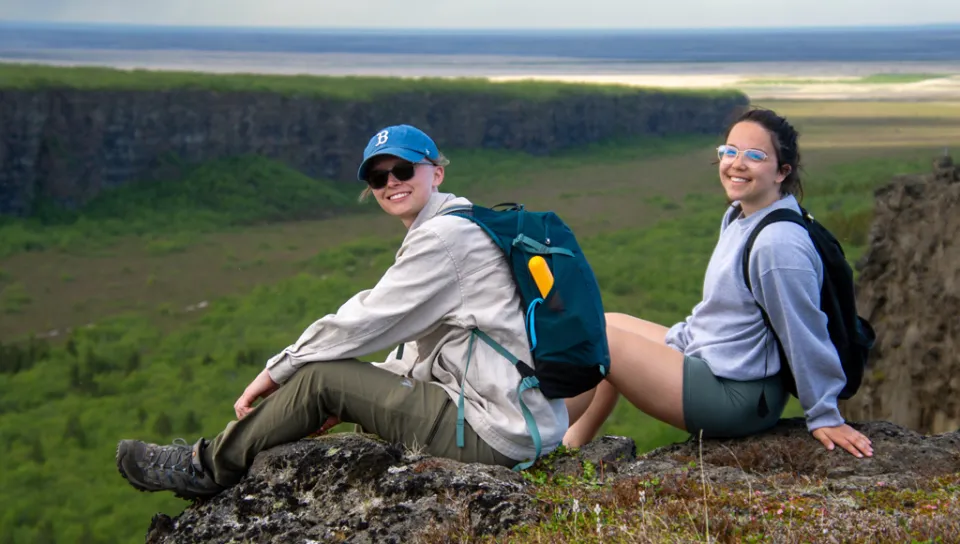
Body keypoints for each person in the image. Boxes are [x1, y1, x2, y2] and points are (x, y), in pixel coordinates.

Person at [116, 124, 569, 499]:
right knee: (335, 379)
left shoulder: (445, 239)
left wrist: (280, 370)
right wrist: (363, 392)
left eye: (404, 169)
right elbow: (419, 350)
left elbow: (367, 319)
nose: (391, 182)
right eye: (378, 178)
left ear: (437, 173)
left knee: (321, 378)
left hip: (496, 435)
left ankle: (205, 467)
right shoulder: (464, 224)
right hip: (516, 421)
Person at [563, 107, 874, 459]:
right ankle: (569, 448)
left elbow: (804, 331)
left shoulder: (778, 244)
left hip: (738, 396)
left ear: (781, 172)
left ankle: (538, 443)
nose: (737, 163)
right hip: (719, 362)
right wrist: (678, 342)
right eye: (730, 151)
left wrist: (823, 414)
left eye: (755, 156)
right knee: (602, 322)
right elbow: (724, 313)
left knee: (596, 339)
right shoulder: (742, 215)